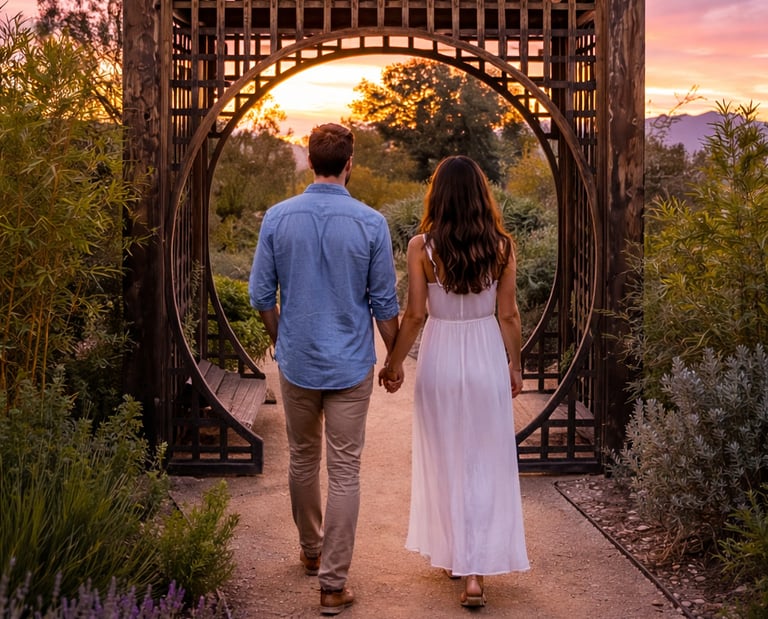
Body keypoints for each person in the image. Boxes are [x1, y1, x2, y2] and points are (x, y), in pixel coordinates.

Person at [249, 123, 400, 615]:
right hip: (350, 366)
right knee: (345, 472)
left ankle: (311, 551)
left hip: (298, 362)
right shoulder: (371, 223)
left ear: (310, 161)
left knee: (300, 460)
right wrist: (394, 361)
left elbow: (258, 296)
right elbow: (383, 304)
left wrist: (281, 338)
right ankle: (333, 585)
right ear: (350, 163)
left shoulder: (276, 217)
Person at [379, 155, 530, 607]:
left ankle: (455, 555)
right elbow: (508, 314)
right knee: (484, 458)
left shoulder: (421, 247)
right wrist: (516, 365)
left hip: (441, 358)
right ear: (482, 195)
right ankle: (475, 573)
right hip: (485, 355)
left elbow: (417, 315)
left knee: (446, 456)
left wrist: (394, 363)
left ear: (437, 196)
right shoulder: (502, 246)